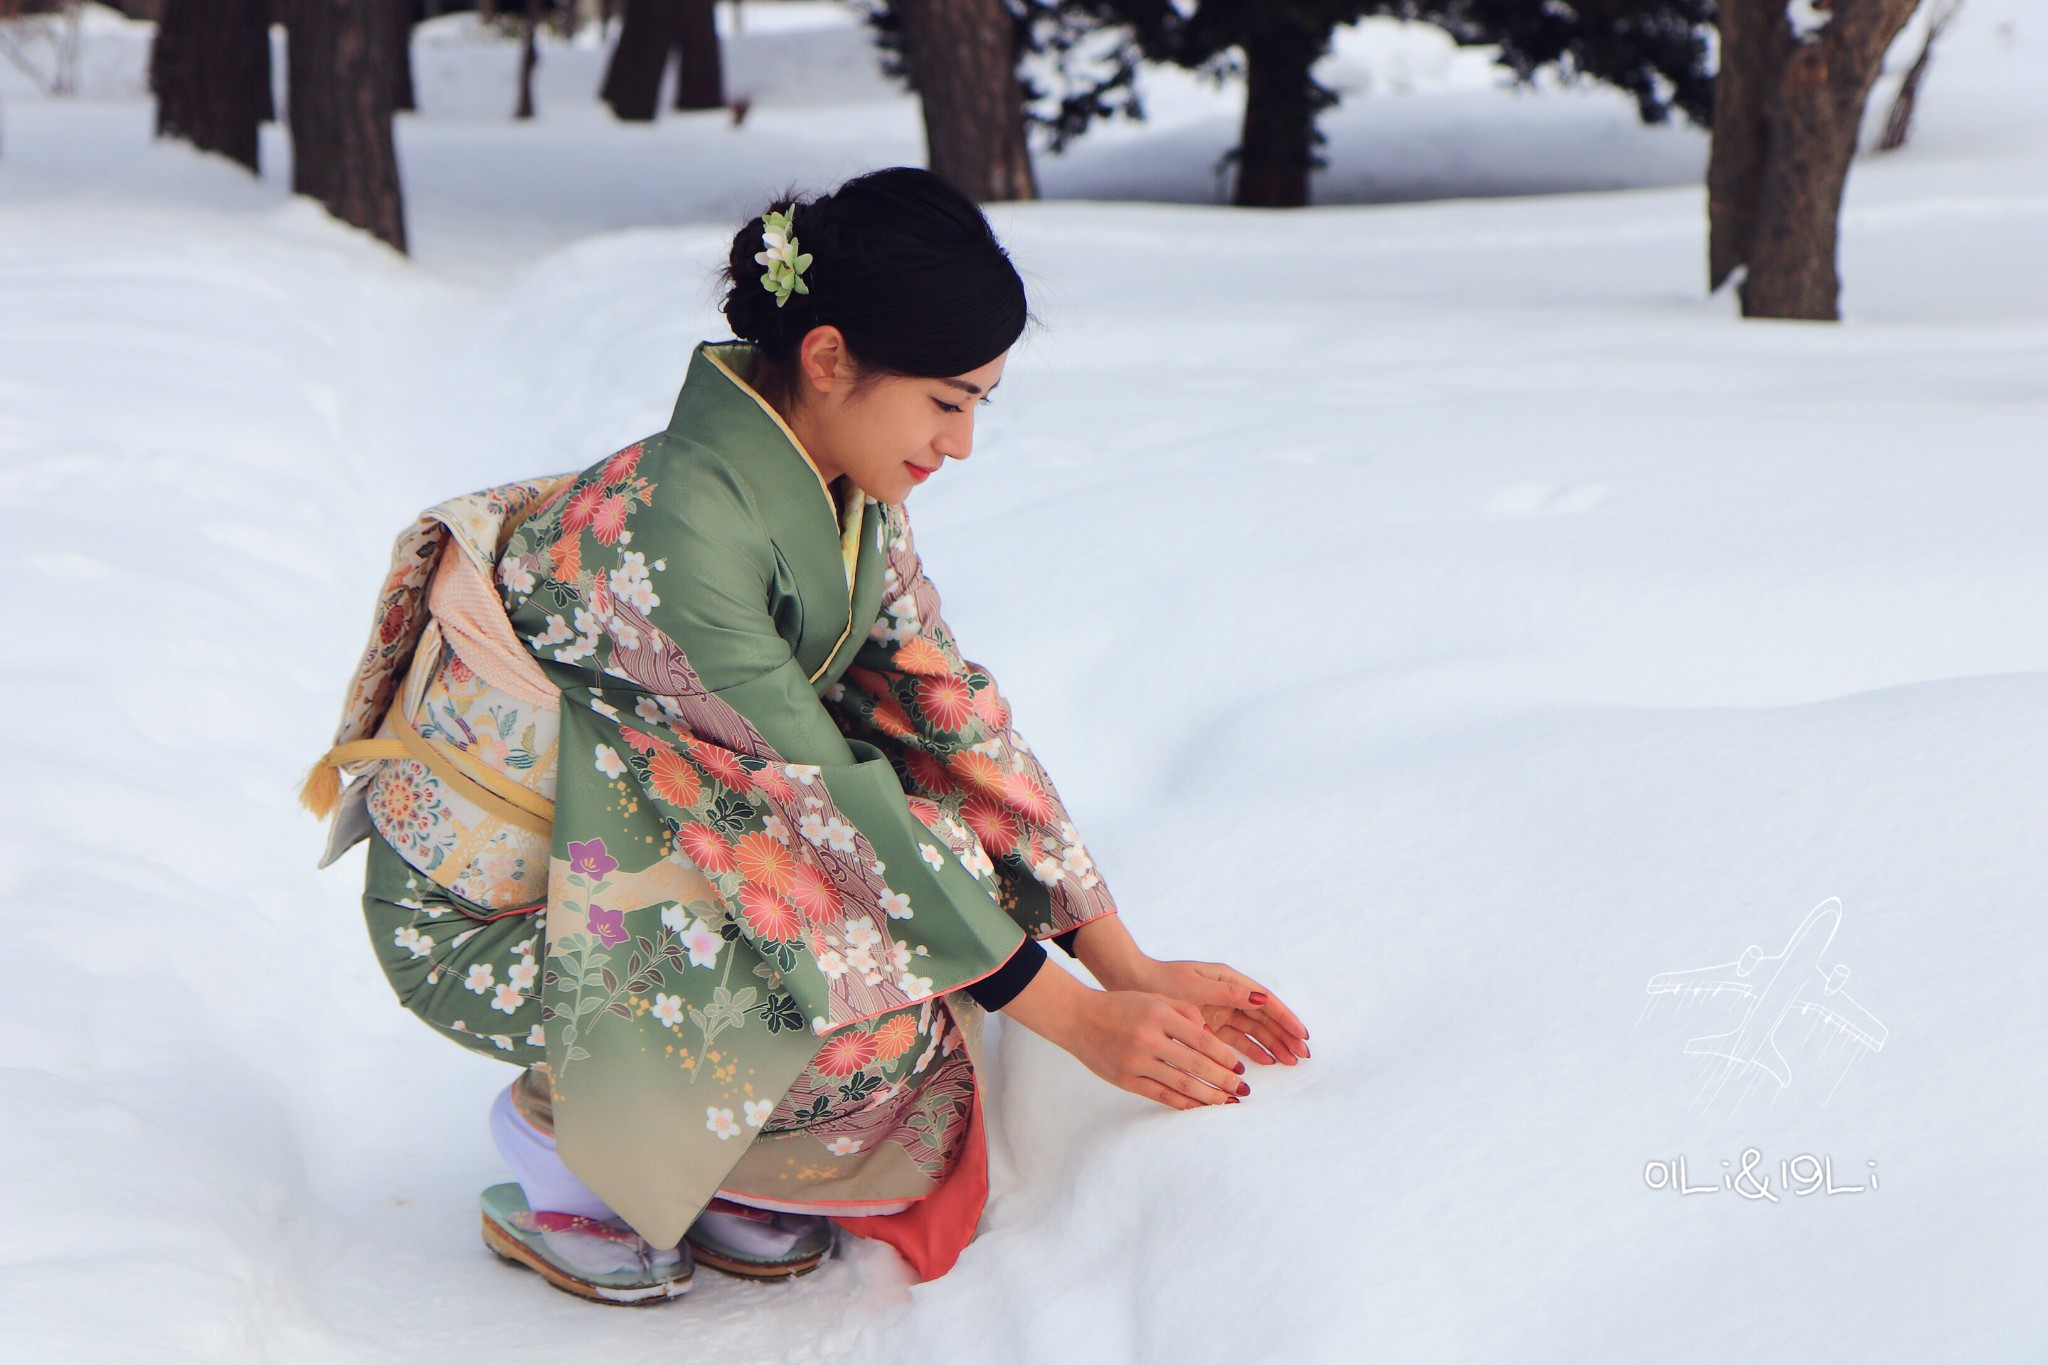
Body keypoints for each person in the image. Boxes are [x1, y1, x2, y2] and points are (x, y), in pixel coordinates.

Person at [312, 166, 1309, 1306]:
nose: (963, 442)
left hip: (642, 846)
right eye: (946, 401)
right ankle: (566, 1149)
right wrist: (1076, 1017)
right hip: (498, 910)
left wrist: (1120, 959)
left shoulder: (847, 492)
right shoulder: (673, 535)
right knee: (875, 1041)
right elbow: (830, 804)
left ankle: (715, 1162)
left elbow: (946, 713)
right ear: (829, 359)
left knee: (938, 944)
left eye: (980, 402)